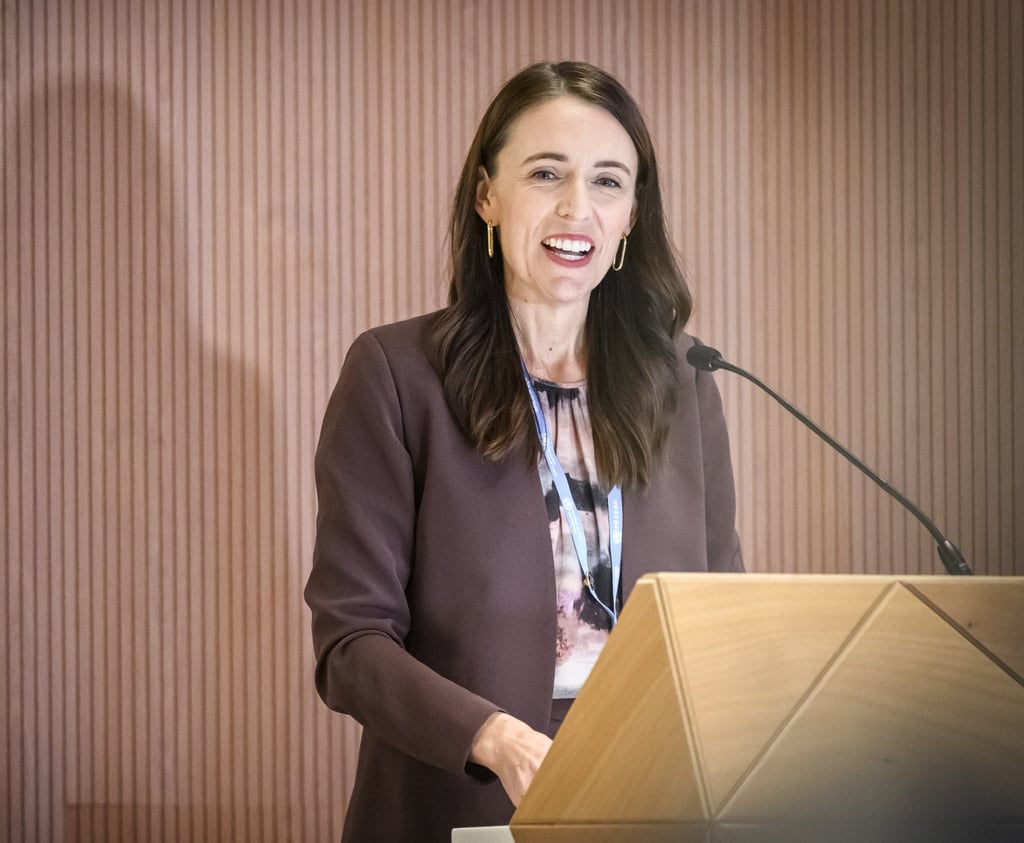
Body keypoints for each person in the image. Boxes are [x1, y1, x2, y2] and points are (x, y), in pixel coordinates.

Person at [304, 60, 743, 842]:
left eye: (610, 182)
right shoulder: (398, 376)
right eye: (547, 173)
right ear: (487, 196)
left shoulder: (683, 380)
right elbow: (350, 643)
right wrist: (493, 738)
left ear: (633, 217)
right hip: (461, 804)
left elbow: (723, 618)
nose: (578, 208)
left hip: (651, 804)